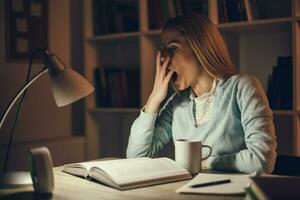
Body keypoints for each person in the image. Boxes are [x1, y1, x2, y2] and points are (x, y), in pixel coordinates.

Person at [126, 14, 277, 174]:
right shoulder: (176, 103)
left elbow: (262, 160)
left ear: (199, 48)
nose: (164, 58)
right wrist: (153, 100)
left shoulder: (242, 88)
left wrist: (206, 164)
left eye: (172, 48)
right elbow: (135, 158)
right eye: (162, 51)